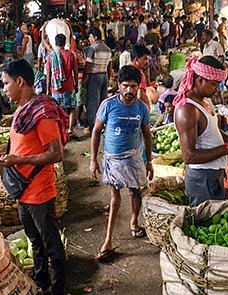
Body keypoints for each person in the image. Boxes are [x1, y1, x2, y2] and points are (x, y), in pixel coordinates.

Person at [0, 59, 69, 295]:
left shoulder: (41, 113)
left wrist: (18, 161)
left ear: (20, 81)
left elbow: (56, 153)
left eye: (7, 83)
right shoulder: (22, 111)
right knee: (35, 243)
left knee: (52, 246)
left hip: (40, 193)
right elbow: (21, 151)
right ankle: (42, 285)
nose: (4, 89)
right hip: (23, 193)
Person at [90, 65, 153, 261]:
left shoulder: (142, 108)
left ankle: (134, 222)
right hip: (112, 159)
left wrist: (148, 161)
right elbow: (96, 132)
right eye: (125, 86)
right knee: (114, 198)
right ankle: (108, 240)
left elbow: (147, 134)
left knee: (135, 191)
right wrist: (93, 159)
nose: (129, 91)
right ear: (118, 85)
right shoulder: (108, 105)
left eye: (134, 86)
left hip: (134, 157)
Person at [173, 56, 228, 206]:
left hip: (213, 174)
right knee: (206, 222)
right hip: (202, 178)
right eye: (214, 84)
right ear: (200, 80)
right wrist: (226, 149)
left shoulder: (205, 102)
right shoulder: (187, 110)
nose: (217, 89)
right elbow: (189, 156)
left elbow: (213, 130)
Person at [46, 33, 79, 138]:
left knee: (59, 110)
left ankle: (62, 131)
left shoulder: (51, 56)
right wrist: (76, 84)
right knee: (72, 108)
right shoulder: (71, 55)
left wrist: (47, 89)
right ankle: (70, 129)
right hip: (69, 86)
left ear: (55, 43)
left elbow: (49, 75)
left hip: (56, 88)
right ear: (65, 43)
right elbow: (75, 71)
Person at [84, 28, 112, 130]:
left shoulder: (93, 48)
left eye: (90, 37)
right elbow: (109, 66)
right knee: (102, 101)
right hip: (104, 75)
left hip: (94, 76)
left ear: (95, 37)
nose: (89, 39)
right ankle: (103, 123)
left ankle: (93, 125)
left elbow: (88, 64)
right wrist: (108, 77)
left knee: (93, 103)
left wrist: (85, 78)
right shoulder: (108, 49)